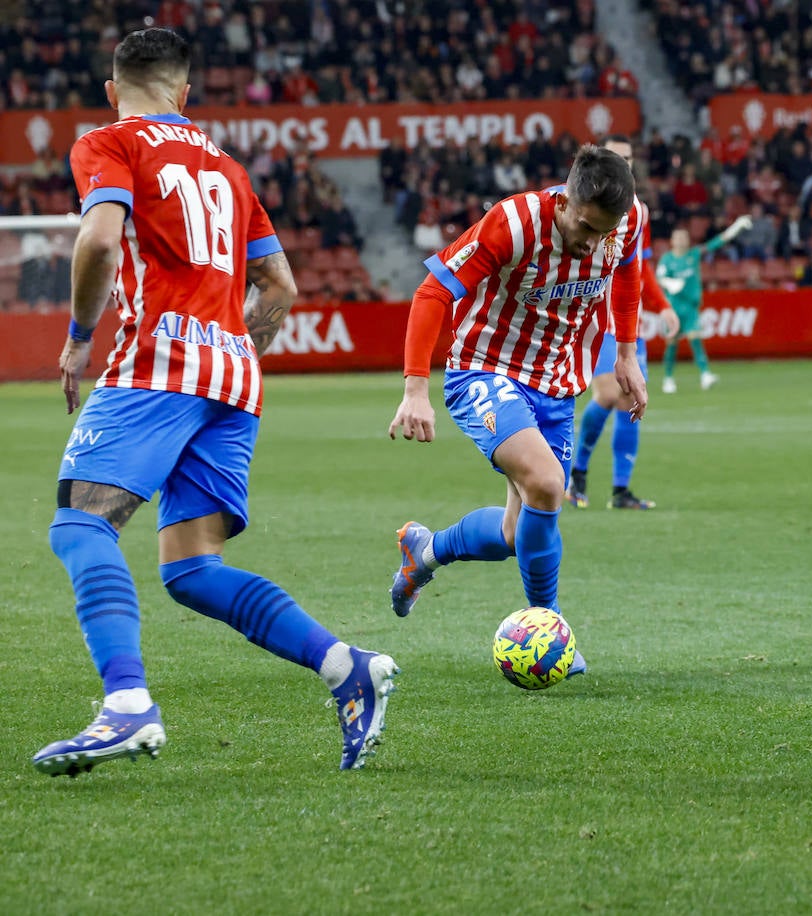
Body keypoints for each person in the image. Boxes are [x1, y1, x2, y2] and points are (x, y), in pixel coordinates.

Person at [32, 28, 397, 778]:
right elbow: (283, 288)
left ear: (113, 89)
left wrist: (77, 339)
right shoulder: (227, 167)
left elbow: (100, 244)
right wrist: (230, 354)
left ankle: (127, 706)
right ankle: (345, 667)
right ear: (185, 92)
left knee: (79, 527)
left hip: (158, 362)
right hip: (232, 376)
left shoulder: (110, 143)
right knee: (193, 569)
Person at [387, 145, 649, 678]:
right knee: (550, 485)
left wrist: (625, 355)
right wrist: (416, 389)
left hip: (556, 384)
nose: (593, 242)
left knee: (517, 533)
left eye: (604, 233)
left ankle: (427, 552)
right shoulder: (513, 222)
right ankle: (548, 630)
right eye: (585, 227)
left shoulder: (625, 223)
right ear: (567, 198)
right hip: (487, 369)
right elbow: (434, 291)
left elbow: (626, 275)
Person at [566, 134, 681, 511]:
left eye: (629, 158)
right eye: (618, 157)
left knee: (631, 398)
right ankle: (578, 472)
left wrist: (661, 305)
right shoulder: (580, 206)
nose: (625, 163)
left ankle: (620, 490)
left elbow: (638, 268)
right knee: (609, 394)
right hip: (594, 316)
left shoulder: (637, 212)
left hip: (627, 320)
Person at [657, 214, 752, 393]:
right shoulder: (667, 259)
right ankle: (668, 379)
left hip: (691, 308)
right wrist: (669, 283)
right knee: (671, 344)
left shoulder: (694, 254)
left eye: (684, 237)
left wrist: (736, 227)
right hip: (674, 308)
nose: (681, 240)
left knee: (696, 340)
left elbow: (717, 242)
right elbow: (659, 278)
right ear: (672, 240)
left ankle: (705, 375)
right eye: (677, 237)